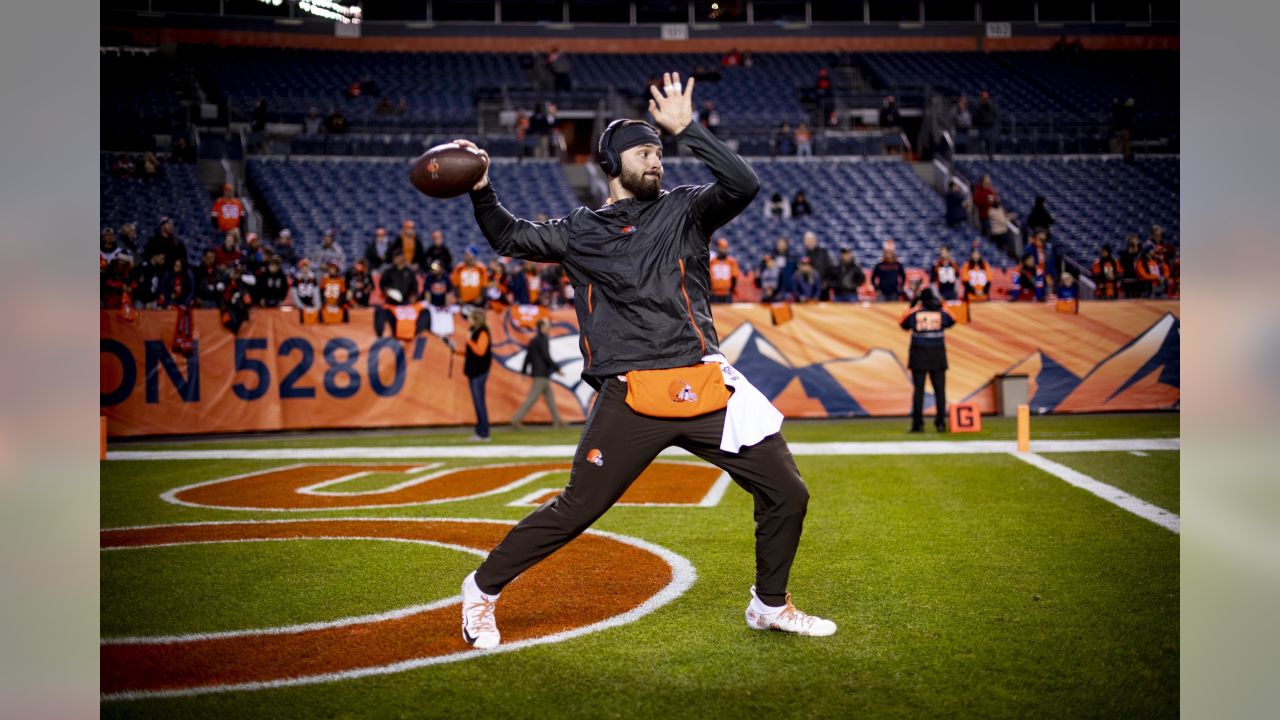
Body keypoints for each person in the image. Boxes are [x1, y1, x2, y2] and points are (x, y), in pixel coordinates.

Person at [450, 71, 834, 649]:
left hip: (704, 383)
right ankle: (481, 589)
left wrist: (690, 132)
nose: (657, 161)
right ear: (613, 164)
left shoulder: (685, 210)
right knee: (576, 509)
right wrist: (482, 188)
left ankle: (769, 604)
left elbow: (744, 184)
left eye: (660, 151)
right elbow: (509, 238)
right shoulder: (581, 231)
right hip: (632, 394)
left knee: (787, 492)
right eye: (643, 151)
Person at [901, 287, 956, 433]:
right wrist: (940, 305)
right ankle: (940, 423)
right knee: (940, 391)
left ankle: (917, 424)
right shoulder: (940, 313)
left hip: (919, 355)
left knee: (918, 391)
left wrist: (913, 305)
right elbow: (952, 319)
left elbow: (903, 323)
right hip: (938, 355)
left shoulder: (916, 313)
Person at [510, 317, 565, 430]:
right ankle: (516, 420)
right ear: (542, 327)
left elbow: (528, 356)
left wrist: (524, 371)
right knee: (532, 398)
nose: (549, 326)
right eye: (547, 325)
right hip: (541, 374)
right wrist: (557, 368)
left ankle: (558, 420)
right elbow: (546, 356)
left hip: (539, 373)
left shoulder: (534, 339)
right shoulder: (542, 339)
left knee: (550, 398)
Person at [449, 309, 492, 442]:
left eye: (471, 318)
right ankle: (480, 431)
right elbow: (471, 353)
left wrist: (469, 341)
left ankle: (483, 432)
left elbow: (480, 351)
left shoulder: (483, 332)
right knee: (477, 402)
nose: (469, 320)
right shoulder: (474, 331)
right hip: (473, 371)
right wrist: (456, 350)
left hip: (479, 371)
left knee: (479, 402)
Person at [709, 237, 741, 303]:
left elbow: (734, 277)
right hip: (714, 293)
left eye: (725, 248)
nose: (723, 250)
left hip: (726, 293)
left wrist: (731, 290)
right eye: (722, 248)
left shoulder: (732, 262)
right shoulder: (712, 262)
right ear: (717, 248)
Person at [973, 90, 999, 156]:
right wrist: (981, 123)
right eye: (983, 98)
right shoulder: (978, 108)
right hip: (982, 129)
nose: (985, 100)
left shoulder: (992, 107)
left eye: (986, 98)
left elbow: (996, 116)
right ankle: (982, 155)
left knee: (991, 142)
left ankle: (990, 156)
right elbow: (975, 119)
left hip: (991, 128)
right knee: (982, 143)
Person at [1119, 234, 1143, 298]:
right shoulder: (1124, 253)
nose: (1133, 242)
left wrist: (1136, 250)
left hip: (1139, 277)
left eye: (1135, 240)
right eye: (1131, 241)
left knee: (1139, 297)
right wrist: (1129, 253)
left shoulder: (1141, 252)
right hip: (1128, 277)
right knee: (1128, 298)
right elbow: (1122, 264)